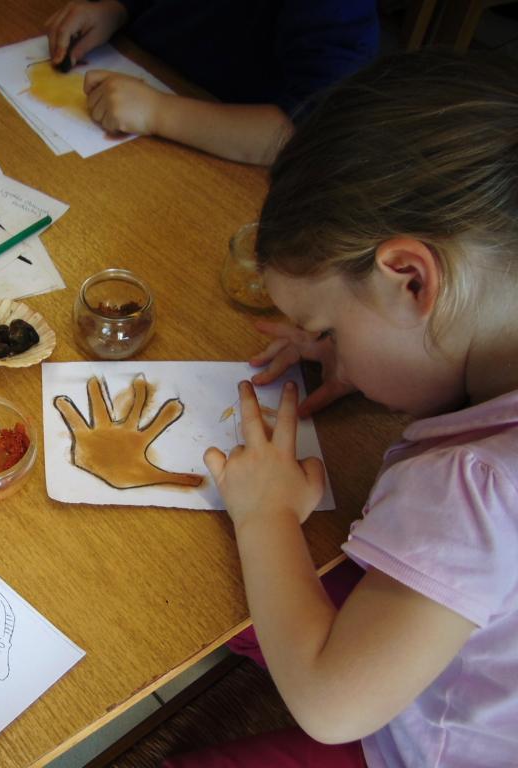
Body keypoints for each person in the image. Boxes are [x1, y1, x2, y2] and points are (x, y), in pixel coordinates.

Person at [177, 49, 518, 767]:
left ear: (408, 281)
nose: (321, 349)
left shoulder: (471, 484)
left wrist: (266, 512)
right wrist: (391, 352)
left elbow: (333, 706)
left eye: (328, 331)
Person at [44, 0, 379, 165]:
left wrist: (159, 112)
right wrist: (117, 8)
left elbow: (320, 132)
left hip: (224, 157)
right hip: (142, 82)